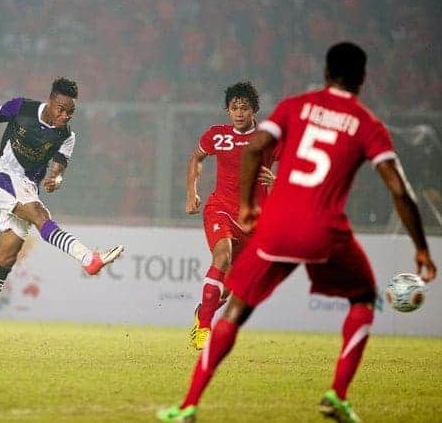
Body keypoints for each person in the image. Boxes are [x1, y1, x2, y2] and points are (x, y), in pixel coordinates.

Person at [158, 42, 437, 423]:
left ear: (325, 74)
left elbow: (256, 148)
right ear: (362, 79)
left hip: (278, 224)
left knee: (237, 307)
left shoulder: (296, 106)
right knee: (364, 298)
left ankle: (187, 404)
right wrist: (420, 247)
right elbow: (399, 189)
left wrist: (249, 203)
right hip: (324, 229)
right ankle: (337, 395)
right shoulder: (367, 123)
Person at [0, 77, 124, 354]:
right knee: (40, 215)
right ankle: (89, 258)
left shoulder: (67, 136)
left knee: (6, 257)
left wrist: (55, 180)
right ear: (50, 101)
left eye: (70, 111)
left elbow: (59, 168)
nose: (64, 115)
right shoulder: (21, 108)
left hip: (27, 188)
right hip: (2, 179)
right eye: (61, 108)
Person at [185, 81, 277, 350]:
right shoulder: (217, 135)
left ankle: (204, 311)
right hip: (221, 208)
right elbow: (196, 158)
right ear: (227, 110)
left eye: (244, 108)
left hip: (255, 220)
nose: (238, 113)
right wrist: (192, 193)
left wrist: (276, 179)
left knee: (232, 286)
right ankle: (204, 329)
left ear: (254, 110)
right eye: (234, 108)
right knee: (222, 256)